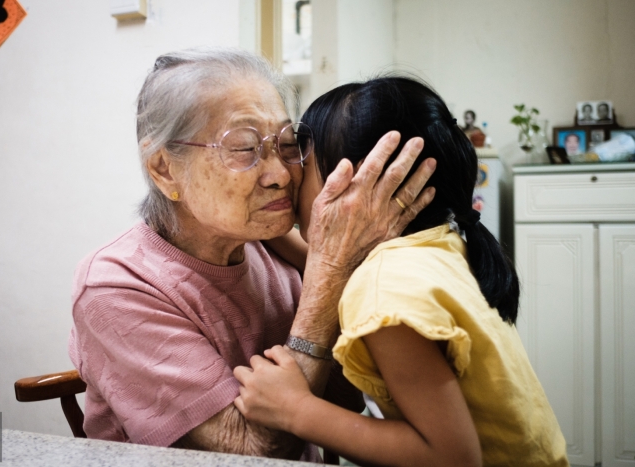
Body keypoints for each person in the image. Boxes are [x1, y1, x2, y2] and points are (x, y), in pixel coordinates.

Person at [68, 49, 436, 461]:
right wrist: (329, 274)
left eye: (287, 144)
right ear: (164, 169)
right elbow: (252, 451)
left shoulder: (270, 242)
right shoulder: (116, 286)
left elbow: (344, 398)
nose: (281, 174)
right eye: (244, 149)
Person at [234, 76, 569, 466]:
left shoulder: (384, 288)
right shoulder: (436, 245)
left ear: (360, 179)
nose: (288, 180)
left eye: (302, 162)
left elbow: (452, 458)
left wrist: (295, 409)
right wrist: (259, 226)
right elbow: (326, 259)